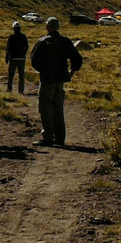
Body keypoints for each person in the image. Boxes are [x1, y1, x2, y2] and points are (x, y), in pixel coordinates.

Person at [30, 17, 82, 146]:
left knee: (45, 109)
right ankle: (60, 138)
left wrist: (43, 70)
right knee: (58, 109)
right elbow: (77, 59)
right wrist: (71, 72)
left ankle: (48, 137)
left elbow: (34, 61)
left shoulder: (42, 42)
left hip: (47, 80)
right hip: (60, 80)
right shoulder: (65, 41)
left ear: (47, 27)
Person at [5, 21, 29, 93]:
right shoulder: (23, 36)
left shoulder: (11, 37)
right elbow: (27, 46)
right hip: (21, 58)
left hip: (13, 58)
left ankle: (9, 89)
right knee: (21, 75)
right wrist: (24, 53)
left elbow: (8, 48)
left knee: (11, 74)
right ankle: (21, 90)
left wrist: (7, 57)